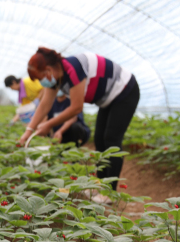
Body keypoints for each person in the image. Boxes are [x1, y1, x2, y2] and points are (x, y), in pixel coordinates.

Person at [18, 47, 140, 203]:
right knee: (100, 141)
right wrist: (28, 132)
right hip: (107, 100)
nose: (42, 82)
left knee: (111, 140)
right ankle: (102, 187)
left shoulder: (73, 69)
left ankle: (109, 193)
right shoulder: (56, 79)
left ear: (48, 70)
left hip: (125, 91)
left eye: (41, 77)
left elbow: (76, 107)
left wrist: (48, 124)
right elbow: (44, 106)